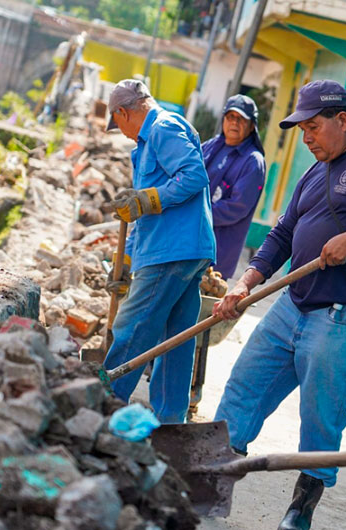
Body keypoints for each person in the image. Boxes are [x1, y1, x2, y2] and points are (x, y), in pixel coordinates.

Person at [212, 80, 346, 530]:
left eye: (313, 127)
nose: (307, 137)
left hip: (344, 317)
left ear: (342, 120)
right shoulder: (314, 173)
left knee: (321, 419)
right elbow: (281, 235)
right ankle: (209, 485)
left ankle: (300, 509)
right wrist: (246, 282)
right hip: (290, 307)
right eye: (302, 130)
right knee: (241, 391)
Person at [102, 79, 215, 424]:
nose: (120, 132)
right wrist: (124, 261)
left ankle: (102, 406)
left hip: (174, 251)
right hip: (179, 249)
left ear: (123, 112)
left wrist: (150, 199)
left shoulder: (163, 128)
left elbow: (194, 175)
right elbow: (143, 218)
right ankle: (170, 425)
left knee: (133, 328)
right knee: (175, 343)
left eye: (117, 122)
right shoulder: (146, 144)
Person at [201, 94, 266, 278]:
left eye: (241, 119)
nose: (234, 123)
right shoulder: (212, 146)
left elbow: (237, 207)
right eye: (230, 117)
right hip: (188, 241)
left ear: (252, 126)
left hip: (216, 253)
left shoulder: (253, 162)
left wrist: (197, 214)